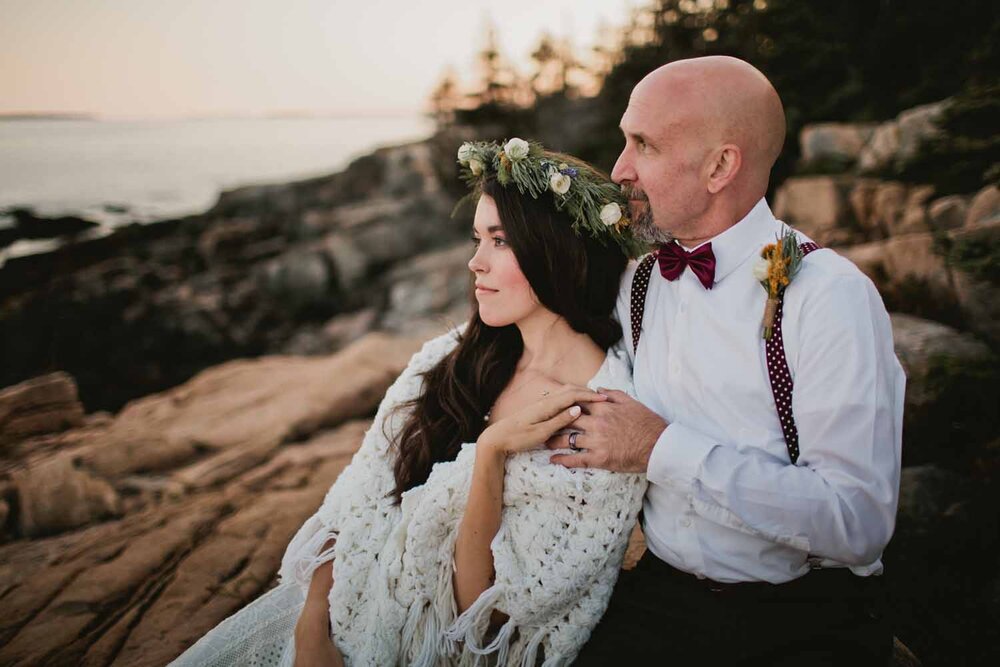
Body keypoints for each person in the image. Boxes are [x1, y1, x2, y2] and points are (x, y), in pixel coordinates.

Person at [168, 139, 648, 667]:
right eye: (475, 239)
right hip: (330, 616)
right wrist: (311, 628)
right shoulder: (452, 358)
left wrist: (490, 456)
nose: (474, 262)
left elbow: (477, 618)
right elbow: (358, 499)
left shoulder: (601, 421)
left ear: (557, 251)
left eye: (499, 242)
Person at [551, 56, 905, 666]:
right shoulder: (639, 282)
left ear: (720, 167)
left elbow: (858, 521)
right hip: (661, 599)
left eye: (644, 146)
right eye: (623, 141)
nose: (619, 170)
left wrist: (660, 448)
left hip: (803, 616)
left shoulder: (828, 296)